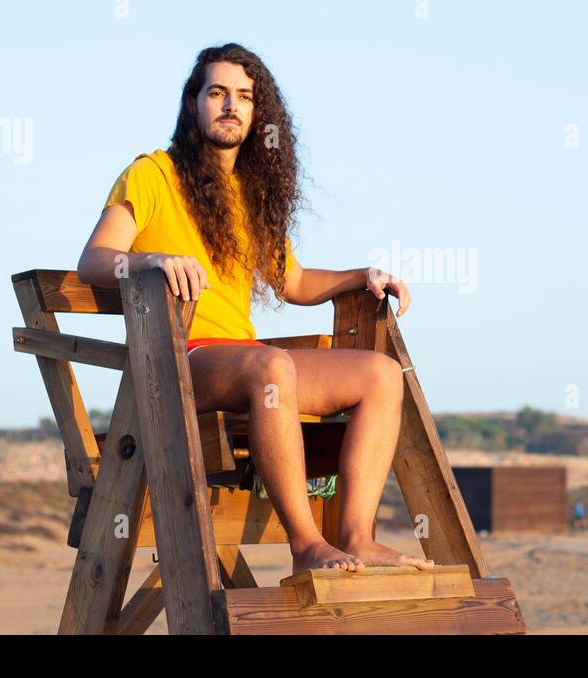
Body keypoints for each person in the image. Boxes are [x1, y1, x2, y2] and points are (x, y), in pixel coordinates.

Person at [77, 43, 433, 575]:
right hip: (179, 361)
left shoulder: (250, 194)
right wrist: (150, 259)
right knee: (272, 365)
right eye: (217, 93)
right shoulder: (152, 173)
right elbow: (93, 261)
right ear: (193, 103)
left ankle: (357, 537)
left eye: (244, 96)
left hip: (247, 361)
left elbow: (292, 281)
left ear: (256, 112)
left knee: (381, 374)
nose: (230, 106)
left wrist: (361, 276)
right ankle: (307, 544)